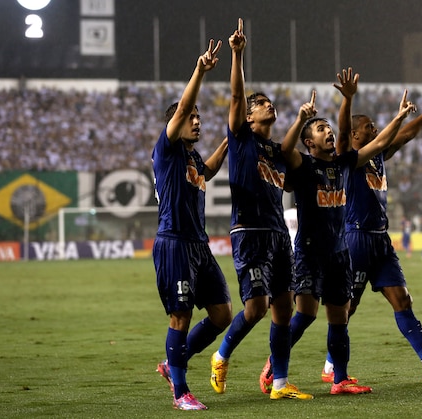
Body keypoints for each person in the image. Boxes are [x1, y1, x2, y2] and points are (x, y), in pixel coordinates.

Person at [258, 68, 415, 395]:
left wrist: (398, 117)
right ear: (308, 141)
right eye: (320, 129)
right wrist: (341, 102)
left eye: (328, 128)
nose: (327, 132)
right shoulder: (303, 166)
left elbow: (381, 142)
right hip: (311, 252)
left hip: (339, 253)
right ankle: (274, 367)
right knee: (304, 315)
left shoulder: (345, 164)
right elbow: (292, 151)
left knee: (340, 318)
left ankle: (340, 380)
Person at [321, 87, 422, 383]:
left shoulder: (378, 156)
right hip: (356, 238)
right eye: (368, 126)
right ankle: (330, 366)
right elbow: (346, 130)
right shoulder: (350, 157)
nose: (374, 129)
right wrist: (357, 103)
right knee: (347, 308)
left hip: (381, 240)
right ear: (356, 135)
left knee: (402, 299)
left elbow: (406, 135)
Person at [209, 19, 313, 400]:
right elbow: (236, 99)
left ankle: (280, 384)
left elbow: (291, 150)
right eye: (259, 105)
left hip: (277, 235)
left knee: (283, 309)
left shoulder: (277, 153)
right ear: (249, 117)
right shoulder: (240, 139)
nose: (267, 106)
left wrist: (302, 118)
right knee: (255, 308)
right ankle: (221, 356)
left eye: (269, 103)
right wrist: (238, 55)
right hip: (249, 232)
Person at [152, 39, 233, 411]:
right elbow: (183, 104)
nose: (196, 121)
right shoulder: (167, 149)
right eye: (191, 118)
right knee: (181, 315)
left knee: (221, 315)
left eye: (199, 118)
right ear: (176, 122)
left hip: (199, 245)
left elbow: (209, 171)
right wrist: (200, 69)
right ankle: (180, 393)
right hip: (175, 243)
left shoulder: (192, 156)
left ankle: (173, 364)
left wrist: (232, 138)